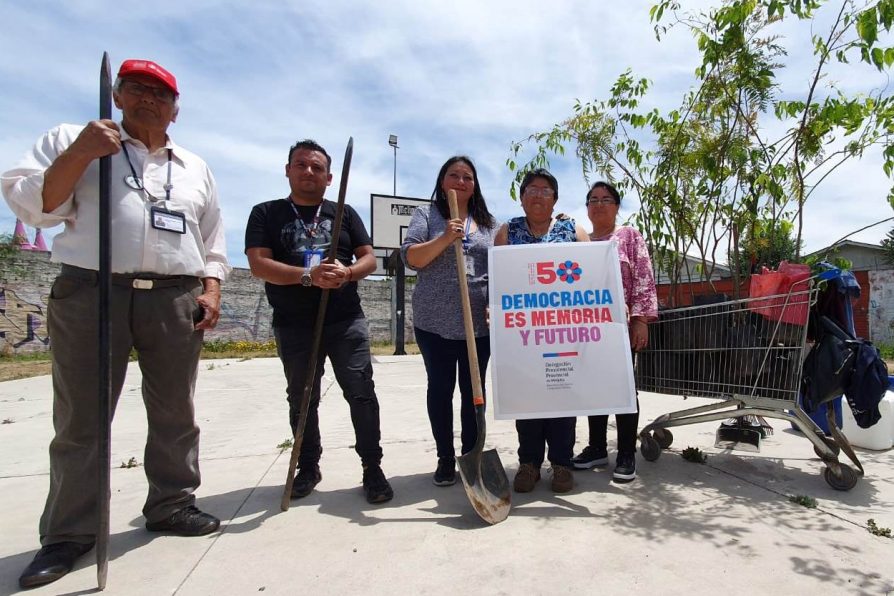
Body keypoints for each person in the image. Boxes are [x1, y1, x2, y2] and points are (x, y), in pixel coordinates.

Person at [1, 59, 230, 590]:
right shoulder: (78, 140)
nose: (148, 99)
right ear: (116, 94)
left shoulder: (193, 166)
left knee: (176, 407)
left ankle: (172, 503)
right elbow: (35, 206)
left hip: (173, 295)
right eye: (136, 89)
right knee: (83, 414)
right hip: (93, 289)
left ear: (176, 109)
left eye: (161, 93)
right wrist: (81, 152)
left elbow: (212, 237)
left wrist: (211, 288)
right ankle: (68, 533)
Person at [244, 139, 393, 505]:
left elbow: (370, 260)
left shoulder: (345, 213)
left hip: (344, 320)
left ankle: (372, 467)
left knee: (360, 391)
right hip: (294, 323)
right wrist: (308, 277)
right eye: (301, 165)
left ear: (329, 178)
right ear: (288, 170)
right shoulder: (266, 213)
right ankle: (308, 465)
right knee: (302, 396)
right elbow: (259, 264)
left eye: (317, 168)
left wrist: (347, 272)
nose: (308, 172)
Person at [400, 156, 498, 486]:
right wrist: (445, 237)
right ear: (443, 181)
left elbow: (499, 268)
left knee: (475, 390)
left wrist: (496, 304)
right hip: (435, 322)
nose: (460, 181)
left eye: (467, 176)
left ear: (475, 184)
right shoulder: (426, 215)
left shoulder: (488, 224)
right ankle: (445, 456)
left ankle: (471, 454)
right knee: (440, 390)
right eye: (453, 175)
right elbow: (413, 257)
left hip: (478, 324)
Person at [494, 168, 589, 494]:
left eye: (545, 190)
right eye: (531, 189)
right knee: (529, 397)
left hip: (564, 332)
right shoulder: (508, 231)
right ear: (521, 198)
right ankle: (529, 463)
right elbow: (498, 281)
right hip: (524, 334)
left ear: (555, 198)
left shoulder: (572, 229)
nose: (538, 194)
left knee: (564, 395)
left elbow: (591, 273)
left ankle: (562, 464)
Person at [572, 181, 657, 482]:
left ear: (617, 206)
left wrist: (641, 320)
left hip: (619, 327)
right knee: (593, 389)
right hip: (585, 329)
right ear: (586, 207)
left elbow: (644, 276)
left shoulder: (629, 236)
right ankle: (596, 448)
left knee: (623, 390)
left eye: (605, 199)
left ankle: (625, 453)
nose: (598, 204)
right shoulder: (578, 241)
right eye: (592, 199)